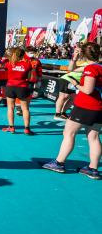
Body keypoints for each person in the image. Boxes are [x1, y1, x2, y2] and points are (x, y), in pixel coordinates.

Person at [43, 42, 101, 179]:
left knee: (68, 133)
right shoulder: (97, 67)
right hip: (98, 107)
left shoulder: (91, 69)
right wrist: (74, 60)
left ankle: (59, 163)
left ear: (84, 54)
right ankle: (93, 169)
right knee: (93, 137)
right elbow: (71, 72)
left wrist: (76, 84)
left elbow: (87, 90)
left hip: (85, 106)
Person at [54, 45, 92, 120]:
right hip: (68, 79)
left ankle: (63, 113)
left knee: (73, 98)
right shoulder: (84, 63)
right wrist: (75, 56)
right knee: (63, 96)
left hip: (75, 81)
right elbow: (71, 67)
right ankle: (57, 114)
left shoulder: (88, 62)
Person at [3, 47, 35, 135]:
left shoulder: (9, 64)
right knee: (25, 109)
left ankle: (11, 127)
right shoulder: (28, 65)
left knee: (10, 107)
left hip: (10, 86)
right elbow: (29, 78)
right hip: (23, 87)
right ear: (23, 55)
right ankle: (27, 129)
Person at [17, 46, 43, 116]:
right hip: (21, 80)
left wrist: (39, 80)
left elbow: (39, 71)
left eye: (33, 52)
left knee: (28, 95)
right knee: (20, 94)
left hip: (31, 81)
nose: (32, 54)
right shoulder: (20, 59)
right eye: (30, 52)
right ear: (26, 52)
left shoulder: (36, 61)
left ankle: (25, 108)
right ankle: (19, 108)